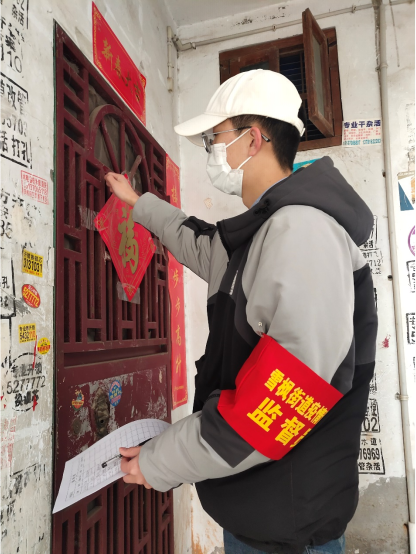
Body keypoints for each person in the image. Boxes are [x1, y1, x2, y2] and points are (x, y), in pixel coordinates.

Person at [104, 69, 378, 554]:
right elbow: (198, 243)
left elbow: (276, 406)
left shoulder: (303, 233)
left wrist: (158, 462)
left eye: (216, 137)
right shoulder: (262, 232)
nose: (212, 149)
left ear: (252, 140)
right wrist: (137, 202)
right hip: (259, 511)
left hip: (289, 529)